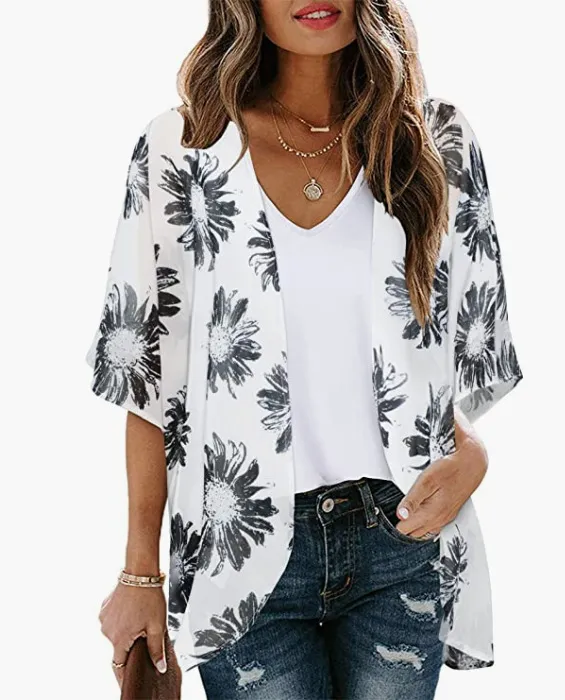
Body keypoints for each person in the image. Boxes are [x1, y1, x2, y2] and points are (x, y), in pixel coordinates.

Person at [87, 1, 523, 698]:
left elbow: (444, 356)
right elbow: (147, 376)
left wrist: (470, 451)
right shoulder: (183, 149)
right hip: (241, 556)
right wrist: (140, 573)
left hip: (401, 537)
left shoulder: (435, 140)